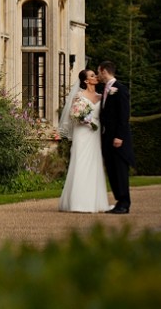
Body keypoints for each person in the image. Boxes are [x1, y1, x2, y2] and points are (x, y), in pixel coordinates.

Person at [57, 69, 110, 213]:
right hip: (82, 132)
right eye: (92, 75)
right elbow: (73, 114)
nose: (95, 77)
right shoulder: (79, 96)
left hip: (95, 132)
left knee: (94, 163)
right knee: (80, 163)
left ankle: (95, 202)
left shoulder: (101, 97)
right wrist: (82, 118)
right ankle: (77, 202)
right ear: (86, 81)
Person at [97, 61, 134, 214]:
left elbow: (124, 115)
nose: (98, 75)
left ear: (104, 71)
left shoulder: (120, 89)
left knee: (120, 171)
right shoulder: (104, 89)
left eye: (98, 72)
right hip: (107, 138)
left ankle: (125, 203)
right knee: (112, 171)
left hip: (118, 139)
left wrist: (119, 136)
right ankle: (119, 201)